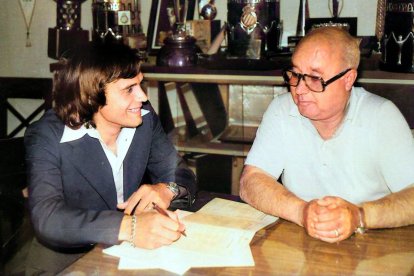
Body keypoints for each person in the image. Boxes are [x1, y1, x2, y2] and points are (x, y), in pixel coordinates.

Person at [24, 42, 197, 274]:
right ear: (92, 95)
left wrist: (168, 189)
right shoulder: (48, 134)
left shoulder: (145, 121)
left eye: (140, 84)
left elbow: (181, 173)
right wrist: (131, 227)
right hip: (66, 262)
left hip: (131, 255)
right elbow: (48, 218)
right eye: (129, 89)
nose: (143, 97)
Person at [240, 26, 414, 243]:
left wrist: (359, 215)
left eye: (314, 78)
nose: (299, 90)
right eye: (295, 74)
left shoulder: (381, 116)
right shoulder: (282, 110)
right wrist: (302, 212)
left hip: (373, 243)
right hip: (300, 240)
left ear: (348, 79)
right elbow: (251, 181)